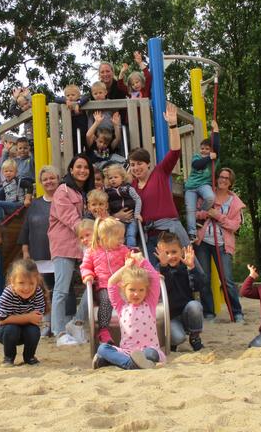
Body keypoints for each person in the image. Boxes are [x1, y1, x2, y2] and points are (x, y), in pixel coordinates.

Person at [129, 102, 188, 266]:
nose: (136, 167)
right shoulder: (132, 186)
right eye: (132, 165)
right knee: (154, 274)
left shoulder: (159, 172)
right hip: (150, 235)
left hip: (170, 231)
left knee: (188, 269)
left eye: (139, 163)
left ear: (148, 164)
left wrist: (173, 125)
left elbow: (175, 151)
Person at [92, 251, 165, 370]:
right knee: (102, 348)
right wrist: (126, 267)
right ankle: (130, 363)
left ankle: (121, 363)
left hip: (148, 349)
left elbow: (155, 279)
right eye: (132, 289)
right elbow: (111, 282)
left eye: (141, 290)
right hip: (127, 352)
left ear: (146, 291)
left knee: (151, 354)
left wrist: (141, 260)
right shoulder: (121, 306)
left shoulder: (150, 304)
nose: (136, 294)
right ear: (124, 289)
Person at [48, 153, 94, 336]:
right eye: (79, 167)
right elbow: (70, 218)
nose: (82, 170)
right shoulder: (63, 190)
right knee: (61, 289)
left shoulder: (85, 193)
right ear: (71, 170)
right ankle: (58, 330)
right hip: (64, 244)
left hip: (82, 242)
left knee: (93, 282)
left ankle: (76, 322)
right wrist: (90, 233)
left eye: (86, 167)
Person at [196, 167, 246, 322]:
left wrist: (217, 215)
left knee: (227, 280)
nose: (223, 180)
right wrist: (206, 213)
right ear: (216, 178)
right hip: (204, 241)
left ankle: (237, 312)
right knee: (204, 279)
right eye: (221, 177)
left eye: (227, 178)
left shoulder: (235, 202)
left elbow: (234, 225)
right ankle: (209, 313)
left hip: (223, 244)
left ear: (231, 182)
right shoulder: (206, 195)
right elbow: (195, 214)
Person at [18, 165, 61, 335]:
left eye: (52, 178)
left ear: (58, 179)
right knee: (43, 291)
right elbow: (26, 229)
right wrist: (25, 251)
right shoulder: (34, 204)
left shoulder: (64, 201)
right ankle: (46, 323)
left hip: (60, 253)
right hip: (39, 254)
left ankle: (61, 323)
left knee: (62, 290)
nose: (49, 181)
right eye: (45, 179)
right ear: (41, 183)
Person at [81, 217, 131, 345]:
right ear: (105, 237)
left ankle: (133, 328)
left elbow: (134, 263)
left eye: (123, 237)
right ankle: (103, 331)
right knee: (106, 300)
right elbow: (85, 267)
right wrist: (88, 276)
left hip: (122, 286)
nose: (122, 240)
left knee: (133, 297)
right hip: (103, 286)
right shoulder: (92, 251)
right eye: (119, 238)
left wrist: (148, 271)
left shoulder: (124, 250)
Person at [0, 259, 47, 366]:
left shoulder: (38, 292)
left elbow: (37, 318)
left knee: (34, 331)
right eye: (21, 283)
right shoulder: (7, 293)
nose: (26, 288)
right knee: (11, 328)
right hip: (4, 330)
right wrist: (28, 317)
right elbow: (2, 320)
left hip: (25, 329)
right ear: (12, 282)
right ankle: (8, 358)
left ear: (37, 281)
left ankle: (29, 357)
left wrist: (29, 319)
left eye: (31, 283)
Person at [155, 232, 204, 352]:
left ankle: (195, 336)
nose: (170, 256)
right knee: (178, 338)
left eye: (174, 252)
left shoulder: (186, 267)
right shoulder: (159, 270)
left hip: (186, 313)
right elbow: (167, 289)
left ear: (181, 252)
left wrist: (191, 268)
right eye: (166, 253)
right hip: (171, 317)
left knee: (195, 305)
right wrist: (164, 267)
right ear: (159, 254)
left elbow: (197, 287)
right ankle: (172, 341)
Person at [184, 119, 220, 240]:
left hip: (204, 185)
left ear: (211, 150)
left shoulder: (214, 159)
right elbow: (197, 165)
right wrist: (209, 157)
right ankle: (192, 232)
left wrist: (216, 131)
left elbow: (217, 146)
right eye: (202, 148)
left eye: (207, 149)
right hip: (191, 187)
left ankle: (200, 215)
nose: (203, 151)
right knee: (190, 208)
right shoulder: (197, 157)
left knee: (210, 197)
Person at [104, 164, 142, 248]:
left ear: (122, 178)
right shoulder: (108, 192)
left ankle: (131, 249)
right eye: (110, 178)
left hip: (132, 219)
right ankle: (121, 250)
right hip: (118, 220)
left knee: (131, 234)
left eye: (115, 177)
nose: (113, 180)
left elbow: (137, 199)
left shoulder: (128, 189)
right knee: (119, 235)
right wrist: (112, 217)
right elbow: (106, 206)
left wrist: (137, 214)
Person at [56, 84, 90, 153]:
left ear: (78, 95)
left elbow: (87, 97)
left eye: (73, 95)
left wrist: (78, 104)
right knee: (73, 150)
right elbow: (56, 99)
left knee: (85, 148)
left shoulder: (81, 101)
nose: (70, 97)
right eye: (68, 95)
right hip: (71, 132)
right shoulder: (66, 103)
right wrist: (65, 101)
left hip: (83, 131)